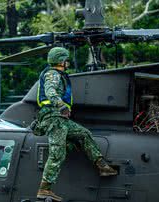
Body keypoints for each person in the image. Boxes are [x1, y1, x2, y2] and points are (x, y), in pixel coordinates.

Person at [35, 47, 117, 201]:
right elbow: (50, 91)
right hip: (54, 118)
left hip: (61, 119)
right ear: (61, 61)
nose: (68, 63)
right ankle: (44, 189)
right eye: (66, 60)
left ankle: (102, 167)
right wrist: (62, 106)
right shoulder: (52, 74)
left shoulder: (59, 74)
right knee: (57, 154)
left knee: (84, 134)